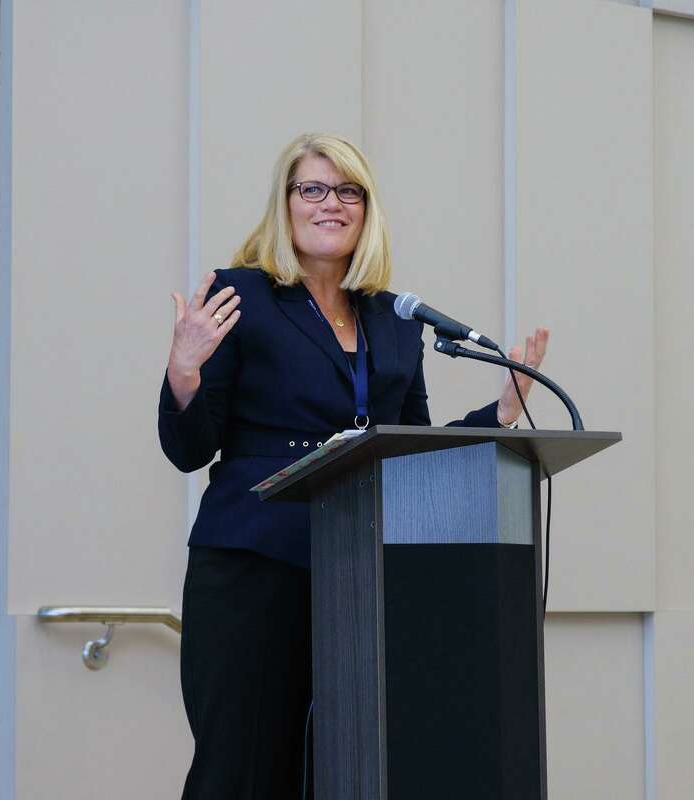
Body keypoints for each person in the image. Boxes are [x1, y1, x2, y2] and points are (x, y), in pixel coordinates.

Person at [158, 132, 549, 799]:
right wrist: (184, 368)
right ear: (285, 204)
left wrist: (500, 415)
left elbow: (412, 446)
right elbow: (191, 450)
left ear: (366, 210)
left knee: (348, 768)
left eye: (347, 191)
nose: (330, 204)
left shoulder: (393, 319)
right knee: (242, 773)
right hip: (254, 568)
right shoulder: (241, 295)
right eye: (312, 189)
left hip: (360, 573)